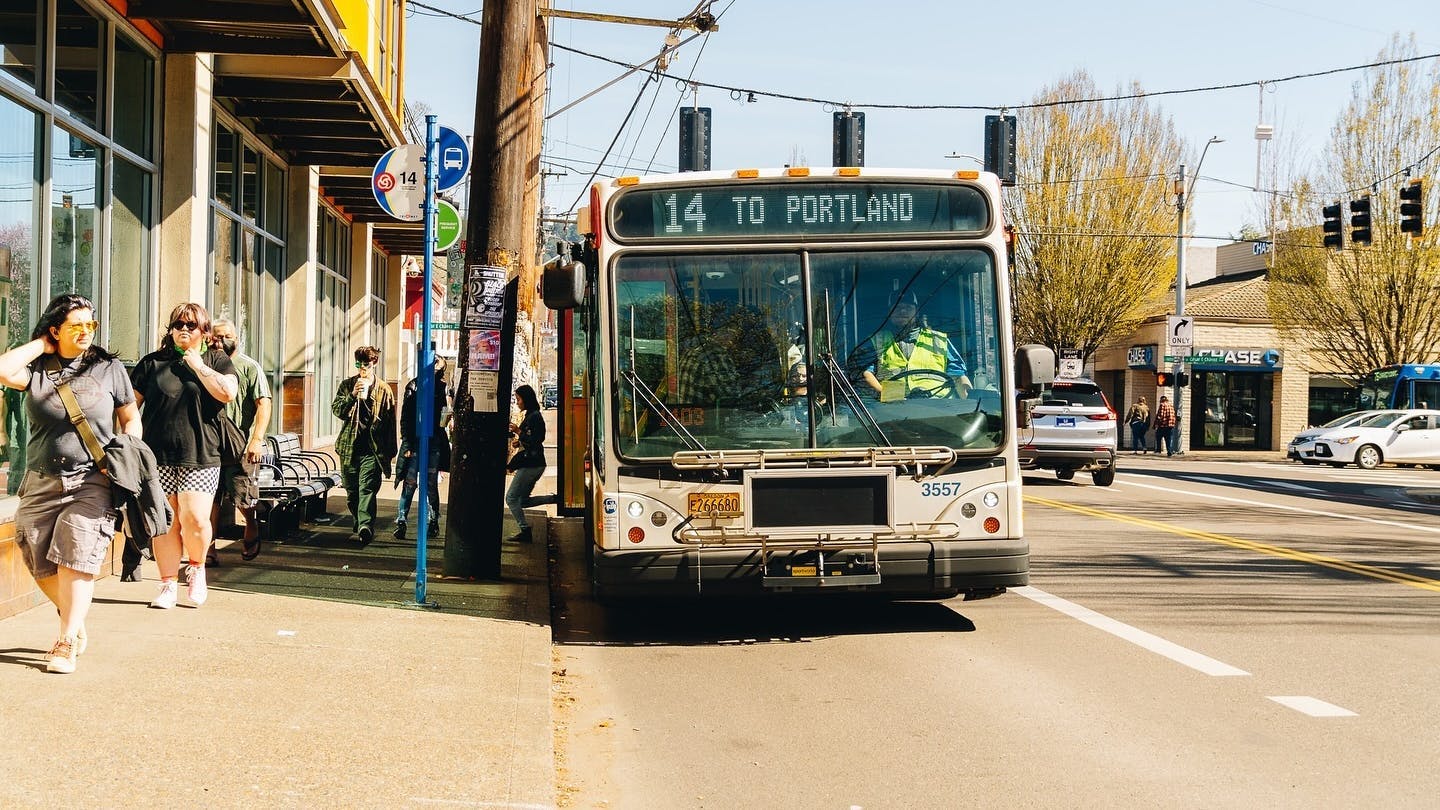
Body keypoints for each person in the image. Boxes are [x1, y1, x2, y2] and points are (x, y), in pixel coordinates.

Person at [0, 295, 142, 672]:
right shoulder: (37, 370)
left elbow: (130, 417)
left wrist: (127, 450)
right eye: (76, 325)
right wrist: (40, 346)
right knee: (34, 552)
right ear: (55, 329)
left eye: (90, 324)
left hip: (92, 478)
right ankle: (73, 618)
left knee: (76, 554)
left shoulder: (108, 368)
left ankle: (64, 640)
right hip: (41, 478)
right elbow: (2, 369)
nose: (85, 331)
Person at [131, 303, 239, 609]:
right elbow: (130, 407)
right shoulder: (153, 363)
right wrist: (129, 442)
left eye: (191, 326)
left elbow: (227, 393)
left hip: (201, 453)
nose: (183, 330)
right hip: (157, 456)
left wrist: (198, 367)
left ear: (203, 332)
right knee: (165, 522)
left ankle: (196, 567)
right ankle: (167, 585)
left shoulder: (216, 360)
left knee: (195, 518)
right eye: (178, 325)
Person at [208, 319, 271, 562]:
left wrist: (256, 439)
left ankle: (251, 525)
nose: (221, 340)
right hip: (210, 445)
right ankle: (209, 549)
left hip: (240, 446)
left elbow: (264, 403)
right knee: (209, 501)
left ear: (236, 337)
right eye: (217, 336)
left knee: (242, 496)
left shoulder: (249, 367)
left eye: (227, 336)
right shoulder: (206, 365)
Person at [332, 346, 396, 544]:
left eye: (366, 365)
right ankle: (359, 522)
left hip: (372, 449)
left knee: (367, 488)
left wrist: (390, 453)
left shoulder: (384, 389)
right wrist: (352, 395)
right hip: (349, 447)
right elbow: (337, 410)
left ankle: (365, 526)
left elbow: (390, 423)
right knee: (352, 492)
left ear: (374, 363)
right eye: (358, 365)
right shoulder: (347, 385)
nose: (362, 369)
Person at [860, 290, 971, 400]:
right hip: (895, 409)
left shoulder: (939, 340)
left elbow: (958, 376)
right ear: (889, 313)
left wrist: (971, 405)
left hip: (939, 407)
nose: (902, 311)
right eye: (897, 307)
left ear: (917, 312)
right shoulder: (876, 340)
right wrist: (885, 395)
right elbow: (865, 373)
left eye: (908, 307)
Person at [394, 352, 448, 540]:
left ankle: (433, 521)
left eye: (439, 368)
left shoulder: (440, 387)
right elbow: (406, 417)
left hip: (433, 440)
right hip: (416, 441)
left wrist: (445, 419)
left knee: (430, 484)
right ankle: (401, 520)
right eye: (434, 367)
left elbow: (442, 412)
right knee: (410, 483)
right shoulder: (414, 386)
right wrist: (407, 442)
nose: (436, 371)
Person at [505, 384, 554, 543]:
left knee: (511, 498)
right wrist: (520, 442)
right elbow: (531, 439)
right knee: (523, 501)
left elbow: (536, 440)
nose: (517, 402)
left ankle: (525, 529)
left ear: (526, 399)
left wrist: (519, 433)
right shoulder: (531, 415)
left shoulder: (534, 417)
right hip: (534, 463)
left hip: (531, 464)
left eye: (518, 399)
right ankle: (553, 499)